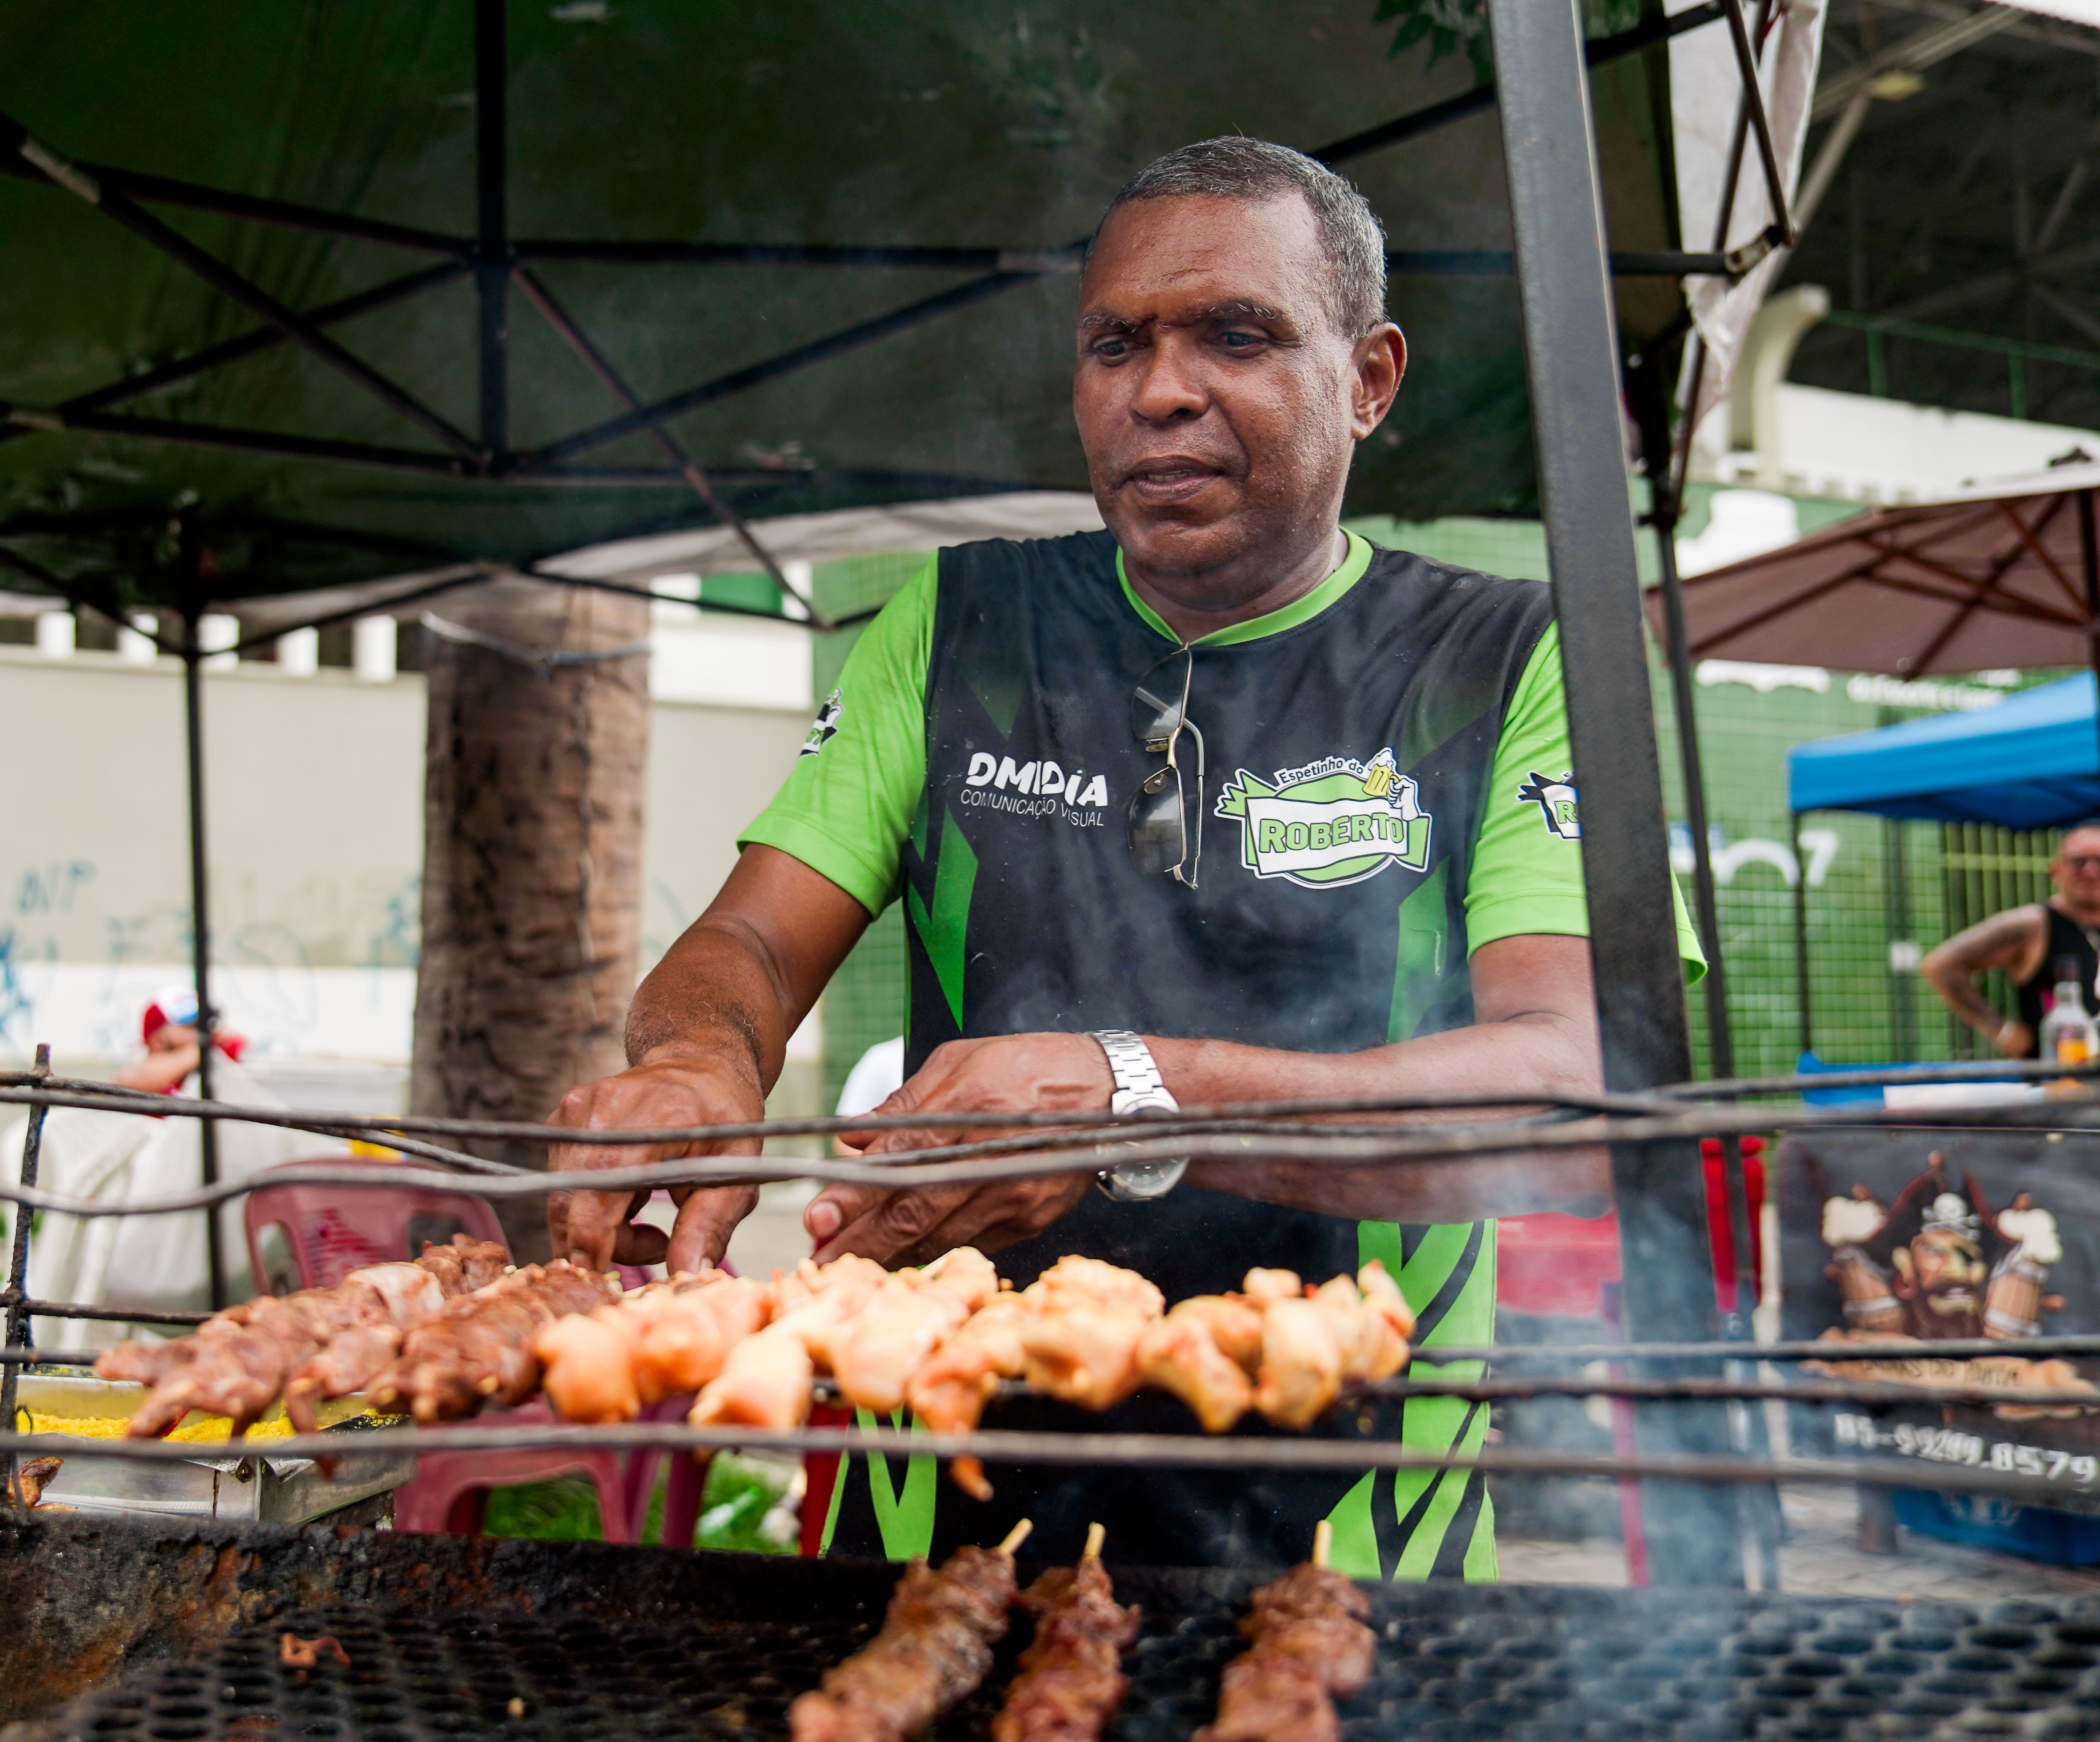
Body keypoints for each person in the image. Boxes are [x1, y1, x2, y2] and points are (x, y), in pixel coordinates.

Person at [545, 136, 1701, 1580]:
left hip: (1355, 1525)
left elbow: (1571, 1088)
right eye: (1116, 346)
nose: (1162, 391)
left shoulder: (1518, 659)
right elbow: (752, 948)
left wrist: (1133, 1094)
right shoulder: (959, 625)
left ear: (1371, 378)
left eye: (1237, 334)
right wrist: (704, 1059)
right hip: (940, 1501)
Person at [1920, 823, 2100, 1059]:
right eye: (2079, 862)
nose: (2091, 872)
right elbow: (1940, 965)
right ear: (2055, 870)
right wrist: (2001, 1031)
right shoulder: (2034, 924)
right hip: (2052, 1082)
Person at [114, 987, 249, 1096]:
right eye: (190, 1026)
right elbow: (125, 1082)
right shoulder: (140, 1075)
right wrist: (199, 1051)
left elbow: (248, 1057)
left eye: (203, 1025)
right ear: (156, 1038)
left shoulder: (219, 1048)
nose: (203, 1032)